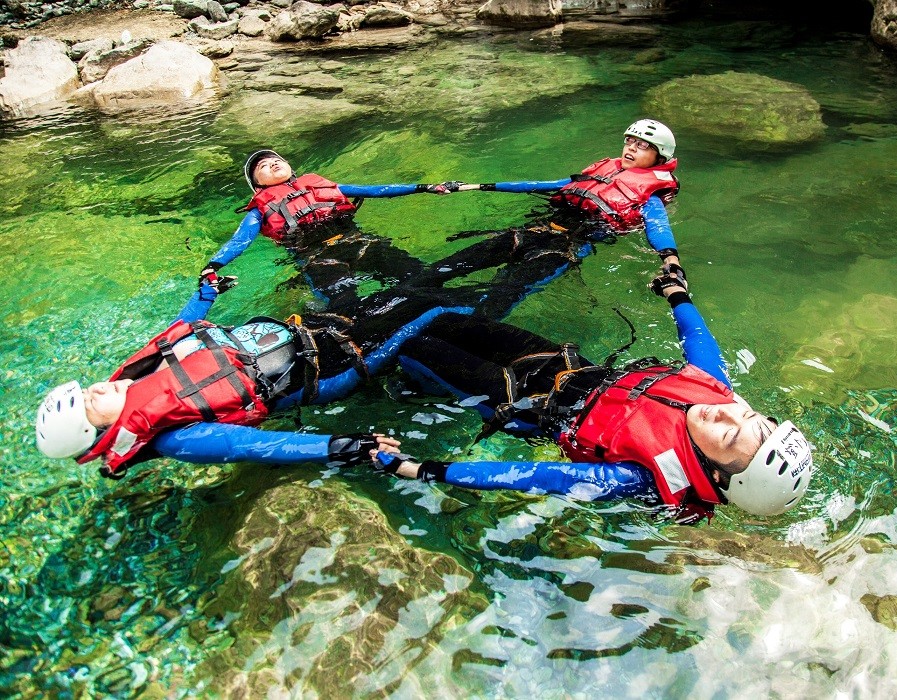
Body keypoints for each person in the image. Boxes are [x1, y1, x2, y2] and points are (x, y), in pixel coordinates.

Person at [372, 262, 814, 520]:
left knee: (413, 344)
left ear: (715, 476)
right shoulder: (716, 396)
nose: (725, 415)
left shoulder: (637, 478)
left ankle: (401, 386)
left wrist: (418, 469)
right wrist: (677, 292)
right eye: (747, 416)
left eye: (731, 437)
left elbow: (535, 476)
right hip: (560, 364)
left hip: (520, 403)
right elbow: (699, 339)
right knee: (444, 319)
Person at [34, 275, 473, 480]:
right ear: (104, 433)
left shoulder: (144, 373)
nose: (96, 387)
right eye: (90, 402)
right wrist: (342, 445)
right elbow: (253, 445)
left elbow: (178, 331)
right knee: (431, 315)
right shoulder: (175, 438)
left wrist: (206, 292)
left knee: (415, 292)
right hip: (330, 371)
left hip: (309, 331)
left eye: (86, 388)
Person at [402, 119, 688, 304]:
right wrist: (476, 186)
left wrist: (671, 263)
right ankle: (399, 298)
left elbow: (658, 225)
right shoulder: (605, 170)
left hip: (573, 243)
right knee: (447, 266)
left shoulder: (650, 195)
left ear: (658, 156)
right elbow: (545, 184)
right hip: (539, 227)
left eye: (642, 146)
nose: (631, 148)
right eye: (630, 141)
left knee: (505, 292)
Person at [198, 149, 457, 304]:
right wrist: (213, 266)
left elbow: (377, 190)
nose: (272, 164)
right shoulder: (260, 210)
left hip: (357, 241)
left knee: (420, 275)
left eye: (276, 160)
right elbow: (239, 241)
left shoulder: (319, 186)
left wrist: (426, 187)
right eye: (263, 166)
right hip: (315, 258)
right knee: (345, 304)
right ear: (258, 186)